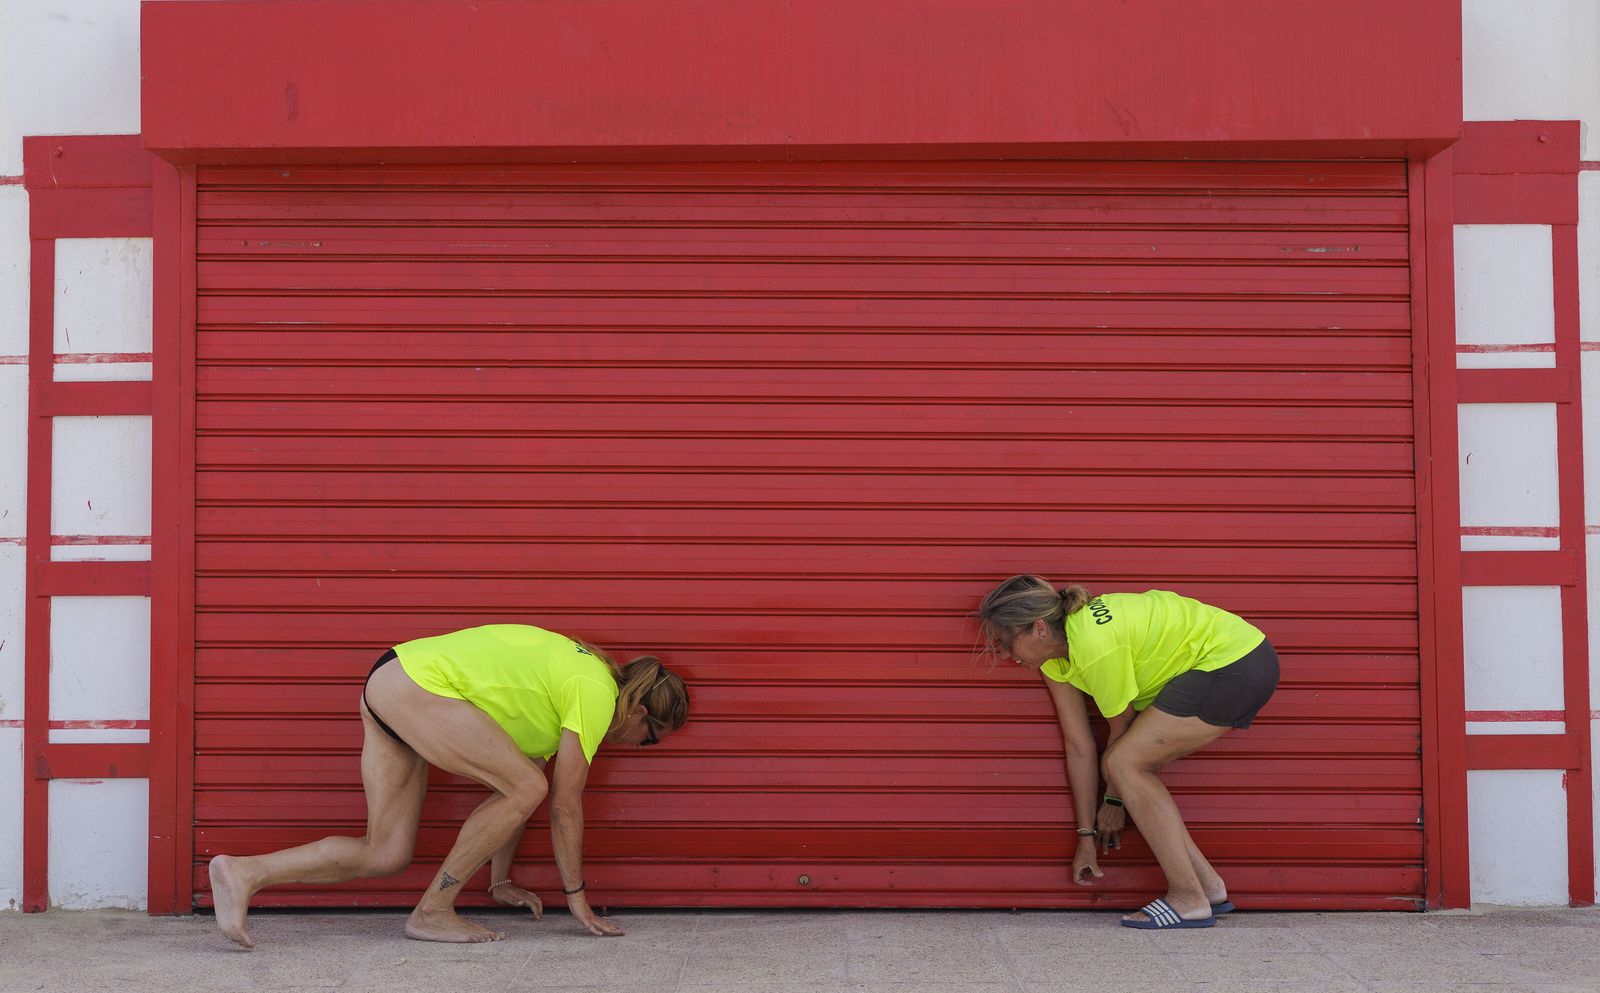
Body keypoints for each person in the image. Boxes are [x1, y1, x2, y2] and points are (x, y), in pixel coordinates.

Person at [207, 623, 689, 948]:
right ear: (640, 713)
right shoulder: (596, 692)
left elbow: (515, 793)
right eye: (649, 741)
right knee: (529, 788)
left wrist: (499, 880)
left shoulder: (573, 686)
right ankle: (433, 911)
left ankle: (245, 873)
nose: (636, 746)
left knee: (386, 853)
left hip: (392, 683)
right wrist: (578, 901)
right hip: (420, 686)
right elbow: (564, 806)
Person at [976, 575, 1278, 930]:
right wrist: (1086, 836)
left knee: (1127, 763)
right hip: (1227, 663)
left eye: (1008, 641)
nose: (1007, 655)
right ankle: (1208, 889)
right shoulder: (1056, 660)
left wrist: (1114, 802)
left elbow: (1122, 734)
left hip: (1233, 663)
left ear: (1039, 629)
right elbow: (1079, 746)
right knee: (1128, 764)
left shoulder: (1095, 644)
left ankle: (1187, 898)